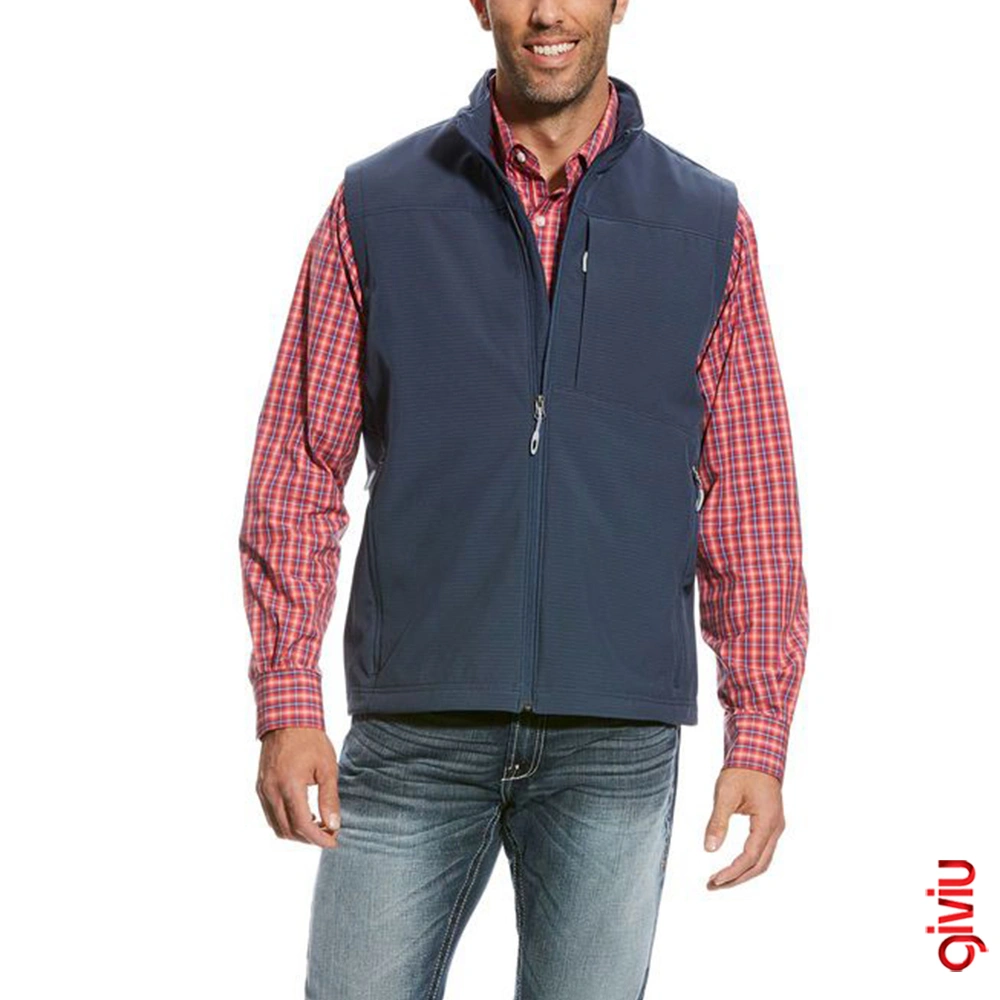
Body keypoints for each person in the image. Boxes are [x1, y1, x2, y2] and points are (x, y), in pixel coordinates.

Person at [238, 1, 809, 997]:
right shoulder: (377, 206)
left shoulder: (707, 222)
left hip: (614, 739)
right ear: (480, 4)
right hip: (416, 725)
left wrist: (758, 732)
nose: (548, 10)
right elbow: (297, 463)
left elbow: (751, 495)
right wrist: (287, 699)